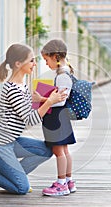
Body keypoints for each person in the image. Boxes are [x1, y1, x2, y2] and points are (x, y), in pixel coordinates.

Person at [0, 43, 67, 195]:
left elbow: (27, 107)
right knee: (21, 188)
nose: (35, 63)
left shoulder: (22, 85)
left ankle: (15, 177)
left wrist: (45, 99)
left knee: (46, 150)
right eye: (31, 60)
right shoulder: (12, 89)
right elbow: (30, 119)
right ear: (18, 63)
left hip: (11, 141)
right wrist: (50, 101)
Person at [39, 39, 77, 196]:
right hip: (62, 117)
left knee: (59, 152)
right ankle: (68, 181)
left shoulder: (62, 76)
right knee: (65, 151)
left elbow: (59, 101)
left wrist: (40, 99)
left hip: (55, 118)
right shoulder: (65, 73)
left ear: (55, 56)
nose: (47, 64)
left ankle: (61, 184)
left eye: (46, 60)